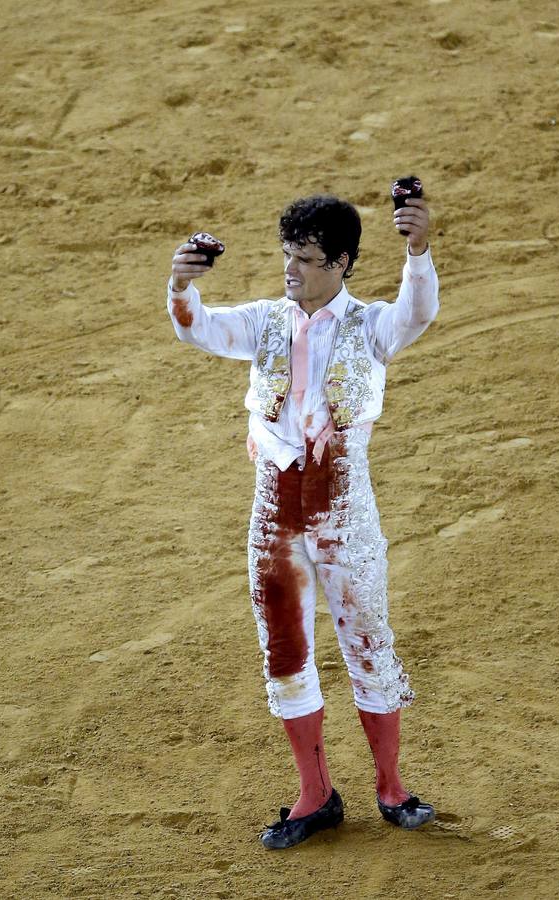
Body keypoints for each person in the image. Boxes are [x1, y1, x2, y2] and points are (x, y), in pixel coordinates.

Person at [167, 192, 439, 849]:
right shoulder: (264, 321)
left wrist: (417, 248)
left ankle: (391, 787)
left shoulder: (371, 327)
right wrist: (180, 283)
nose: (290, 270)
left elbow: (417, 311)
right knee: (285, 651)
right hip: (274, 513)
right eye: (286, 256)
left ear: (341, 263)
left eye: (306, 260)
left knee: (367, 641)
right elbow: (196, 327)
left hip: (344, 510)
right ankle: (315, 795)